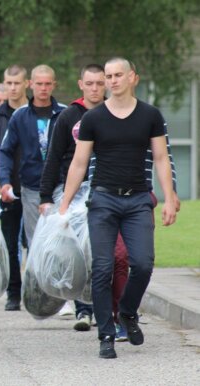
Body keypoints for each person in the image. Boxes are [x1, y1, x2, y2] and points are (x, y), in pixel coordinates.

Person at [59, 57, 177, 359]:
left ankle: (126, 312)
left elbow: (162, 158)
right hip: (103, 199)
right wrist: (64, 202)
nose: (111, 81)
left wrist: (170, 196)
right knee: (102, 268)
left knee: (142, 263)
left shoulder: (150, 115)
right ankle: (106, 335)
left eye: (117, 75)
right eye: (108, 76)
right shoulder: (94, 118)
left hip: (138, 199)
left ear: (132, 77)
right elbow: (79, 162)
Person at [39, 64, 119, 331]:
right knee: (80, 253)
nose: (95, 88)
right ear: (80, 84)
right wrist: (45, 196)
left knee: (104, 253)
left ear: (106, 84)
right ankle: (83, 309)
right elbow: (53, 156)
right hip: (73, 192)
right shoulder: (68, 116)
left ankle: (104, 307)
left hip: (107, 190)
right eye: (90, 83)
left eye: (100, 83)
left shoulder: (115, 113)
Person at [0, 64, 66, 246]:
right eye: (39, 84)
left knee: (60, 242)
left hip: (60, 188)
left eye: (47, 84)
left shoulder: (65, 113)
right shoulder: (20, 116)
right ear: (30, 84)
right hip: (31, 188)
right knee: (36, 242)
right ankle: (35, 276)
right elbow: (5, 150)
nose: (43, 88)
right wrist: (4, 180)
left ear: (54, 85)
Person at [0, 64, 29, 311]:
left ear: (26, 84)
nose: (12, 88)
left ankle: (40, 291)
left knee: (34, 241)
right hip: (6, 188)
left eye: (16, 83)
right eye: (8, 83)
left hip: (33, 186)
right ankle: (14, 293)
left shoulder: (35, 113)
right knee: (10, 244)